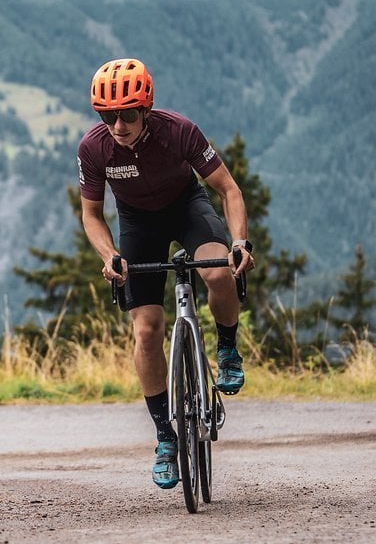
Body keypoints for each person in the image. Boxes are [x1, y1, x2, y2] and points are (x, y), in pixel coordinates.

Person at [77, 58, 255, 490]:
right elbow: (92, 214)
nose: (117, 125)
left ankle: (227, 349)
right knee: (147, 329)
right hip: (138, 224)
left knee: (216, 275)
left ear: (147, 109)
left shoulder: (179, 131)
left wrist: (238, 242)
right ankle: (164, 437)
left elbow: (228, 189)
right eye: (107, 115)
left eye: (128, 114)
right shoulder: (94, 149)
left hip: (186, 209)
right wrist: (109, 255)